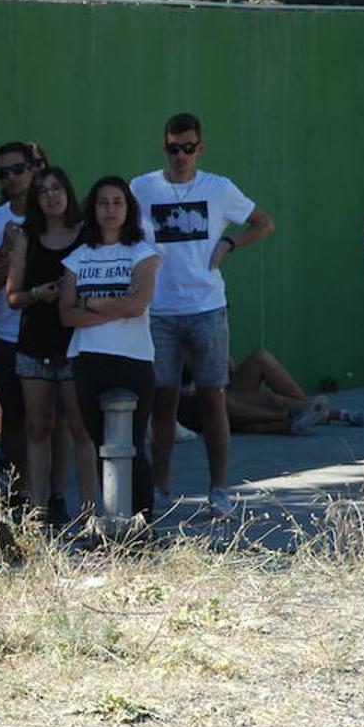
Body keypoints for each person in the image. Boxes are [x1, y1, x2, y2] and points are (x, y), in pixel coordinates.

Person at [131, 112, 275, 519]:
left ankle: (219, 489)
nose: (181, 155)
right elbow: (116, 227)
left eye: (189, 148)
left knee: (214, 399)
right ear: (164, 147)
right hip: (158, 310)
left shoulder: (219, 188)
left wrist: (230, 242)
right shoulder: (142, 188)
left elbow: (264, 222)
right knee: (164, 403)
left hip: (207, 308)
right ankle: (160, 489)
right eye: (174, 148)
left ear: (200, 148)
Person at [58, 177, 161, 518]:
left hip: (134, 360)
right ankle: (115, 520)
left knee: (132, 446)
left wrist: (94, 303)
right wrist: (114, 305)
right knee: (103, 447)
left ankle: (143, 524)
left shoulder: (143, 254)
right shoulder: (78, 258)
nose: (110, 209)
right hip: (88, 360)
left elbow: (137, 306)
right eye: (103, 202)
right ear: (93, 208)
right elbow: (67, 314)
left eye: (118, 202)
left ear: (129, 209)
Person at [5, 167, 97, 520]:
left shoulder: (87, 235)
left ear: (68, 192)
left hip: (77, 342)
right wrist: (37, 294)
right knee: (38, 427)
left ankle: (90, 514)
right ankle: (37, 511)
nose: (51, 196)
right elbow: (12, 296)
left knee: (80, 429)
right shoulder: (27, 236)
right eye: (43, 192)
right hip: (35, 344)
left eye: (57, 188)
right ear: (35, 200)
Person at [0, 140, 41, 491]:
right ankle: (19, 493)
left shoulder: (53, 215)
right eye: (4, 173)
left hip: (48, 332)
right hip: (4, 333)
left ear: (33, 169)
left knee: (50, 422)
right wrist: (7, 249)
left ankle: (51, 494)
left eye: (18, 170)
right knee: (13, 420)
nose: (12, 178)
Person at [177, 348, 364, 435]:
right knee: (229, 402)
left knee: (260, 358)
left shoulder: (209, 322)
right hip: (193, 404)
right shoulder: (170, 326)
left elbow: (229, 369)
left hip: (222, 390)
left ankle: (308, 411)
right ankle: (298, 415)